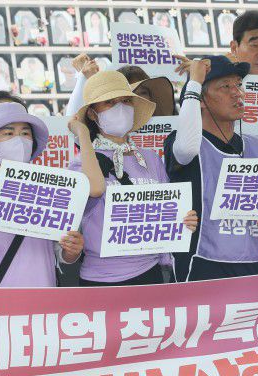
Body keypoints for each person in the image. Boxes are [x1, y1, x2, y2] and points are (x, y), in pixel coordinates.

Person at [67, 71, 197, 286]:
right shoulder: (83, 162)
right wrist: (82, 134)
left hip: (151, 274)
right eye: (109, 102)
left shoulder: (150, 158)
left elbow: (167, 210)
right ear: (92, 114)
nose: (120, 107)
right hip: (102, 279)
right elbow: (95, 189)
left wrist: (183, 221)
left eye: (126, 100)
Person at [165, 55, 258, 281]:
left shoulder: (257, 147)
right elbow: (186, 148)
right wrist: (194, 82)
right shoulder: (184, 143)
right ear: (201, 99)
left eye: (238, 84)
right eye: (225, 87)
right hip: (200, 265)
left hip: (252, 265)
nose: (237, 93)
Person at [0, 102, 83, 287]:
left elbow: (60, 250)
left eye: (25, 133)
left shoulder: (47, 189)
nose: (19, 140)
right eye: (8, 133)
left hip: (42, 296)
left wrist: (71, 250)